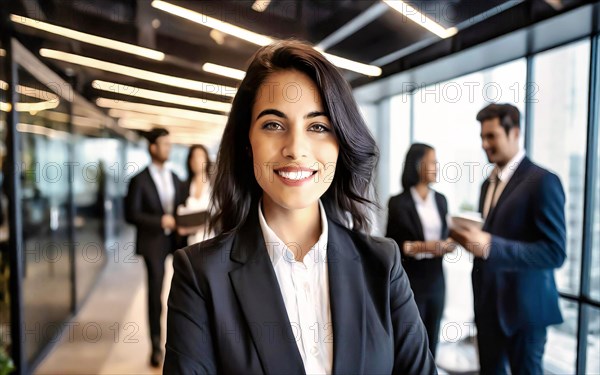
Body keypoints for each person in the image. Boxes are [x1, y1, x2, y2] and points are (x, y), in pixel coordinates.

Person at [164, 40, 437, 374]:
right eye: (273, 125)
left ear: (341, 143)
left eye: (318, 126)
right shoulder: (202, 274)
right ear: (248, 144)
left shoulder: (382, 263)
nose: (295, 148)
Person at [451, 103, 566, 374]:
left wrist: (491, 245)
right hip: (488, 308)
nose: (484, 144)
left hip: (525, 314)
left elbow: (554, 252)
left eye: (491, 136)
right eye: (482, 136)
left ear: (514, 133)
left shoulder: (543, 181)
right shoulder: (486, 184)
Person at [124, 127, 186, 367]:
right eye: (164, 144)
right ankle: (156, 346)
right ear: (152, 148)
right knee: (155, 294)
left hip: (177, 240)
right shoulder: (138, 180)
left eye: (170, 144)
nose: (168, 148)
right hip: (153, 243)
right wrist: (160, 221)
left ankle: (180, 342)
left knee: (183, 291)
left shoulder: (175, 176)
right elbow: (131, 214)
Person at [386, 143, 453, 358]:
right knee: (412, 343)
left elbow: (446, 236)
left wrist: (449, 245)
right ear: (417, 166)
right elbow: (393, 246)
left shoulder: (441, 200)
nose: (437, 167)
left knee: (433, 341)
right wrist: (426, 247)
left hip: (436, 281)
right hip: (411, 281)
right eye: (432, 162)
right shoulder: (398, 202)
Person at [176, 144, 214, 245]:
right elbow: (179, 216)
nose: (196, 160)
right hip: (190, 243)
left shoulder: (215, 185)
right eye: (193, 157)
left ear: (207, 159)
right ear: (189, 161)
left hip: (212, 240)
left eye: (200, 156)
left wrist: (190, 228)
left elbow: (221, 216)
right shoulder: (183, 186)